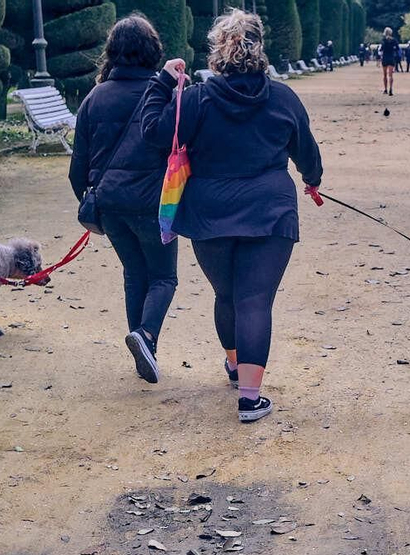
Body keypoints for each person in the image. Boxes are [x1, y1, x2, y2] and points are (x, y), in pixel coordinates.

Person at [140, 10, 323, 423]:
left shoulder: (199, 98)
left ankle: (236, 365)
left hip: (210, 211)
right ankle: (250, 397)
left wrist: (163, 83)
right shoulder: (283, 98)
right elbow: (307, 153)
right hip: (270, 210)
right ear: (260, 48)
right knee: (255, 300)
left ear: (216, 53)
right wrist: (312, 180)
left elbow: (153, 134)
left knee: (227, 296)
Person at [69, 14, 174, 384]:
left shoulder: (94, 98)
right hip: (155, 204)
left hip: (110, 205)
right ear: (152, 51)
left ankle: (142, 350)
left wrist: (91, 201)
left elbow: (76, 167)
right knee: (163, 277)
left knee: (134, 273)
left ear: (112, 52)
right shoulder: (163, 94)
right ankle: (145, 337)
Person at [379, 27, 399, 95]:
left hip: (385, 58)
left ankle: (385, 89)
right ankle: (391, 89)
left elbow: (381, 49)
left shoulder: (384, 40)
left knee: (384, 75)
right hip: (391, 58)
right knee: (390, 75)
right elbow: (397, 49)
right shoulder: (394, 40)